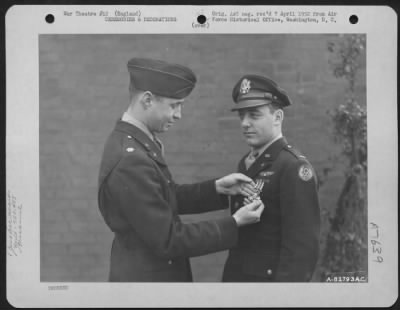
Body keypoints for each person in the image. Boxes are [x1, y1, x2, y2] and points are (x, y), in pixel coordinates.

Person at [97, 58, 264, 282]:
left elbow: (162, 197)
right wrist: (234, 224)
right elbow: (169, 240)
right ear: (147, 100)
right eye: (174, 105)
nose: (178, 115)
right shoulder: (130, 160)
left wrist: (217, 189)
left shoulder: (133, 144)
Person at [222, 74, 321, 282]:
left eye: (254, 115)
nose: (245, 123)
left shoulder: (293, 166)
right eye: (242, 116)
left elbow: (301, 251)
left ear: (277, 118)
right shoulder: (247, 162)